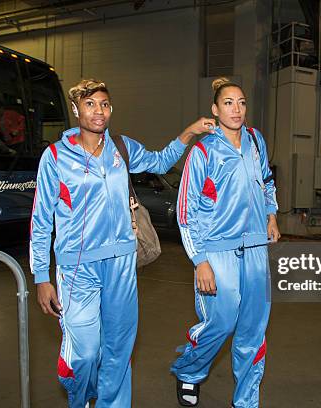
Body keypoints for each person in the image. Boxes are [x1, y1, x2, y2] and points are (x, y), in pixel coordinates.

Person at [29, 78, 214, 408]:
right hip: (76, 267)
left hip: (121, 264)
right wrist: (42, 276)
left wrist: (189, 132)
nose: (98, 111)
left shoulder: (121, 148)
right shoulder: (55, 156)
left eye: (104, 104)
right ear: (75, 110)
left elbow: (158, 161)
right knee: (84, 353)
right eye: (90, 104)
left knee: (118, 348)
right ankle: (82, 396)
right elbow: (41, 220)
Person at [171, 77, 280, 408]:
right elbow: (185, 212)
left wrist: (272, 214)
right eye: (229, 103)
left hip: (257, 249)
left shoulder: (256, 140)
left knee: (253, 328)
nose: (237, 109)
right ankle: (189, 371)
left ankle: (246, 400)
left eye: (242, 102)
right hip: (217, 251)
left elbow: (267, 181)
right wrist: (200, 259)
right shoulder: (203, 151)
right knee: (221, 322)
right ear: (215, 110)